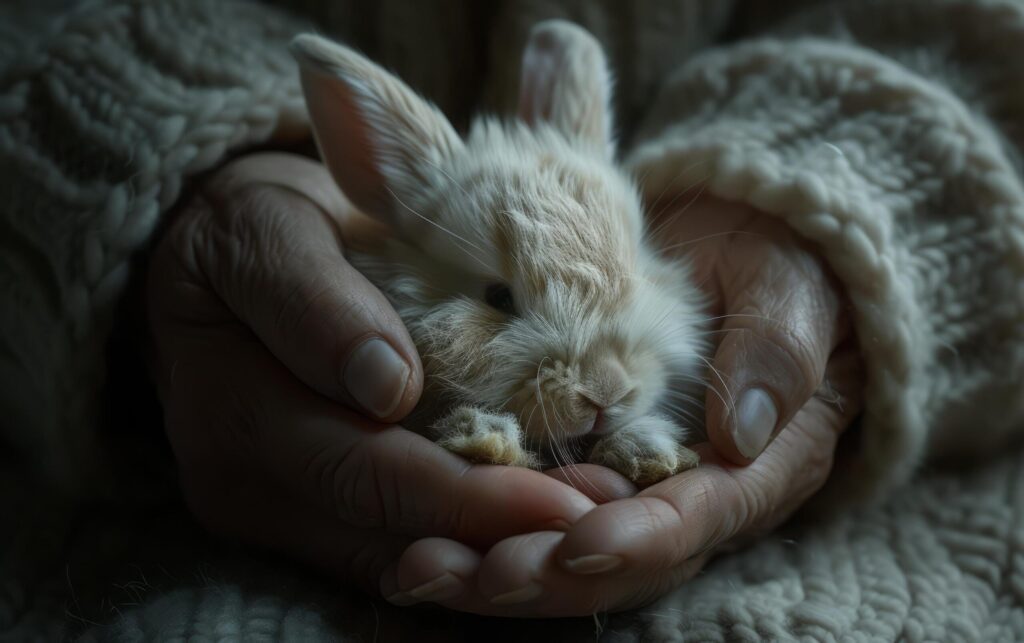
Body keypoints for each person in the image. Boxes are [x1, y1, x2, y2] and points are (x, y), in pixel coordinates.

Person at [2, 0, 1022, 638]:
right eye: (499, 301)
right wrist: (145, 188)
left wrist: (852, 210)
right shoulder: (402, 236)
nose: (598, 372)